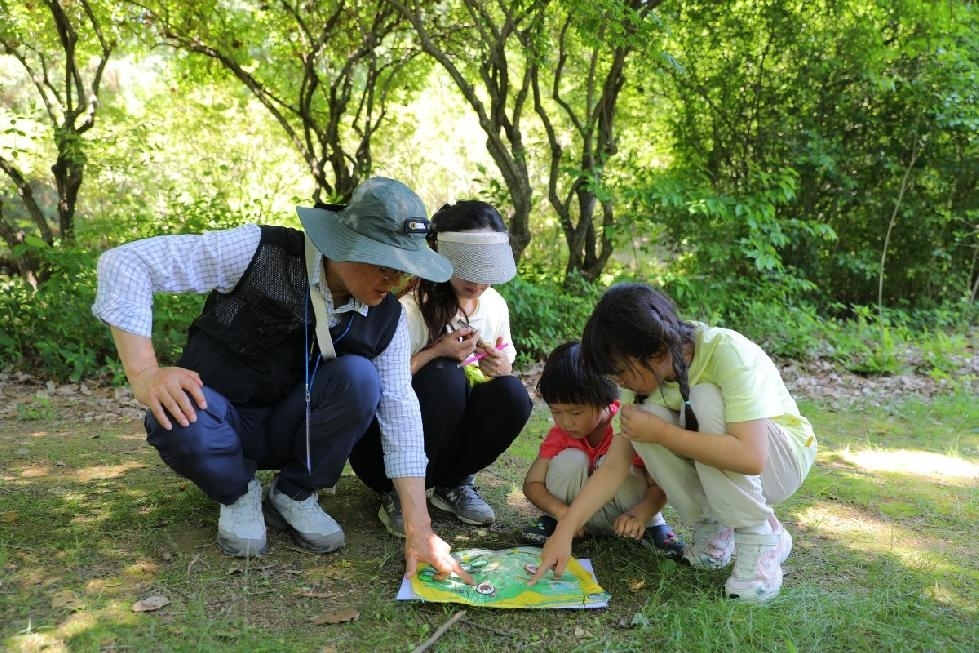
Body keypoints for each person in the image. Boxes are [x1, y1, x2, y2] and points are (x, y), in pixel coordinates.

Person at [92, 176, 473, 584]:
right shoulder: (257, 251)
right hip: (218, 416)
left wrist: (420, 528)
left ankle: (294, 493)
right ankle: (238, 492)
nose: (397, 286)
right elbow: (125, 263)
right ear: (343, 244)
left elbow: (399, 410)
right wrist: (145, 372)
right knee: (176, 414)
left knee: (361, 378)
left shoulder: (388, 320)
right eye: (387, 268)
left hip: (296, 428)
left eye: (409, 276)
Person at [530, 283, 817, 602]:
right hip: (728, 464)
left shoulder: (726, 351)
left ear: (657, 352)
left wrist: (663, 433)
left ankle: (760, 536)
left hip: (782, 461)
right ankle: (714, 526)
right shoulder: (641, 384)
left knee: (701, 397)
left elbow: (751, 457)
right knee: (642, 417)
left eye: (621, 371)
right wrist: (564, 530)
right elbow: (613, 466)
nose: (619, 382)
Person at [350, 200, 533, 536]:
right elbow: (376, 389)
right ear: (438, 254)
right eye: (467, 267)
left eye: (485, 270)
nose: (477, 281)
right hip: (382, 450)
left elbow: (501, 368)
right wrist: (435, 352)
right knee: (445, 375)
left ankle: (453, 484)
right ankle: (397, 491)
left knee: (513, 393)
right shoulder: (409, 308)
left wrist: (501, 367)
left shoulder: (493, 307)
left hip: (444, 447)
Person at [521, 342, 685, 558]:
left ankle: (652, 526)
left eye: (575, 413)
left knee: (612, 461)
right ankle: (555, 522)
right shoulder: (560, 434)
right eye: (556, 412)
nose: (565, 422)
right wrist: (561, 511)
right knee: (571, 459)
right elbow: (532, 483)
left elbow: (659, 485)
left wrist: (639, 515)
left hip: (627, 516)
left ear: (603, 401)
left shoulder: (626, 423)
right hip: (576, 515)